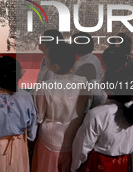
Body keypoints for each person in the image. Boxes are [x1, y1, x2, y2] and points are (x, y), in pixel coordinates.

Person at [71, 48, 133, 172]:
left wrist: (74, 167)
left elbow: (82, 148)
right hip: (124, 164)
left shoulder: (98, 114)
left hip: (99, 165)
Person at [32, 43, 90, 172]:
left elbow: (39, 116)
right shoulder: (83, 82)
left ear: (55, 66)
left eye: (47, 58)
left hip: (50, 138)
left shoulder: (45, 87)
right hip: (75, 136)